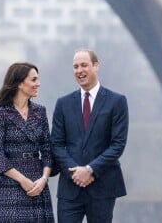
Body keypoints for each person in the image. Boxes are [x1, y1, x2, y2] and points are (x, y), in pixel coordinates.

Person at [51, 48, 129, 223]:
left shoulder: (117, 102)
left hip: (103, 186)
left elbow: (118, 144)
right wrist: (75, 172)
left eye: (84, 65)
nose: (79, 70)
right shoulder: (63, 104)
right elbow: (56, 143)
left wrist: (90, 169)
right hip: (70, 188)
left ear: (96, 66)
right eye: (75, 66)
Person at [0, 62, 55, 222]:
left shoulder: (40, 111)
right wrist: (22, 180)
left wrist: (44, 179)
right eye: (33, 80)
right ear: (19, 83)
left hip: (38, 182)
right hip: (11, 182)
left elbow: (47, 149)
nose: (38, 84)